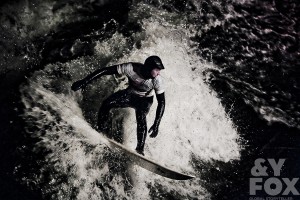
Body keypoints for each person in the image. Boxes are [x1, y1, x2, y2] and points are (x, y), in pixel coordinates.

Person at [71, 56, 166, 156]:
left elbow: (162, 102)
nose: (159, 73)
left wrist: (156, 124)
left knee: (141, 115)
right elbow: (105, 71)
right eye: (156, 70)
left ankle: (140, 149)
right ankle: (101, 130)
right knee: (107, 103)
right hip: (130, 94)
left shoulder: (157, 80)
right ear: (148, 67)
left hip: (145, 100)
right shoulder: (131, 68)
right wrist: (84, 81)